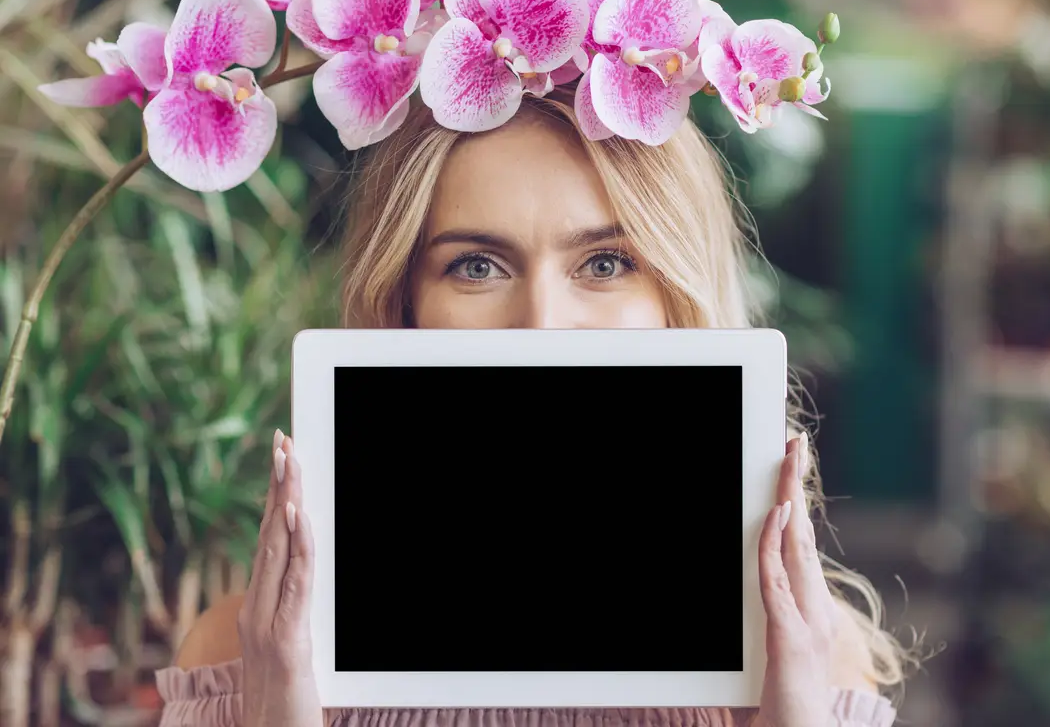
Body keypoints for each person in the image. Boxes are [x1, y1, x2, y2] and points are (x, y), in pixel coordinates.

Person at [154, 86, 912, 727]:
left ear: (678, 301)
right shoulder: (245, 655)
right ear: (403, 307)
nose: (542, 325)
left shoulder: (807, 660)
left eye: (606, 262)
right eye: (477, 266)